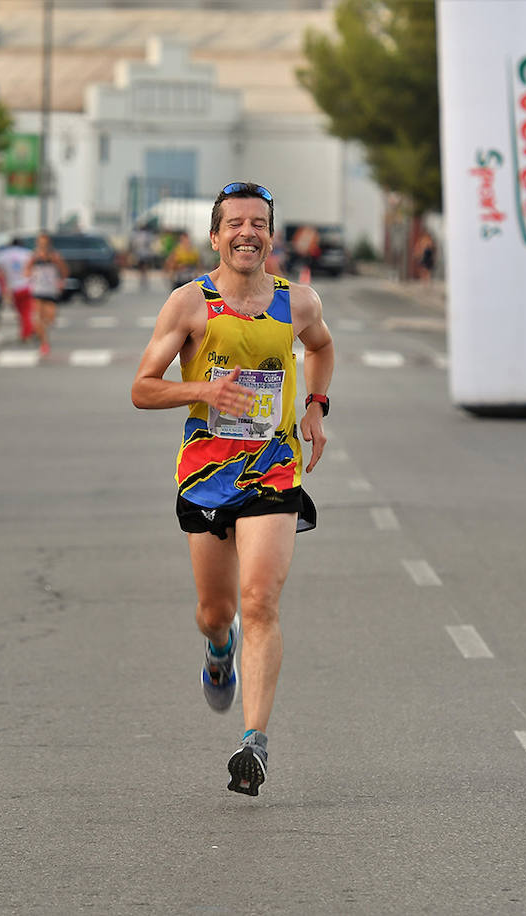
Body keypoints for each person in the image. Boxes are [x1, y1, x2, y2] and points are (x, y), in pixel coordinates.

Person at [130, 181, 334, 796]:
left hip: (274, 465)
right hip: (206, 473)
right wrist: (203, 391)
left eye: (259, 223)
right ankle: (219, 649)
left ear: (272, 235)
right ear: (215, 236)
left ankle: (254, 744)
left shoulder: (297, 302)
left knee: (261, 600)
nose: (248, 232)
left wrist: (316, 407)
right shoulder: (189, 305)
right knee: (217, 612)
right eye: (235, 224)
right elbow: (143, 388)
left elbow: (322, 349)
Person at [28, 233, 68, 356]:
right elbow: (26, 271)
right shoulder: (34, 256)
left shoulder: (55, 256)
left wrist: (61, 281)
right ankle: (43, 343)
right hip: (38, 290)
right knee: (37, 319)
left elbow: (64, 271)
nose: (42, 245)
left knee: (50, 317)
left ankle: (43, 334)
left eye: (44, 243)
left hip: (50, 290)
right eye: (40, 243)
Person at [0, 237, 34, 342]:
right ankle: (26, 333)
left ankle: (25, 332)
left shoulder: (3, 255)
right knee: (27, 312)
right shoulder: (27, 253)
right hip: (26, 285)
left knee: (20, 313)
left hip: (13, 288)